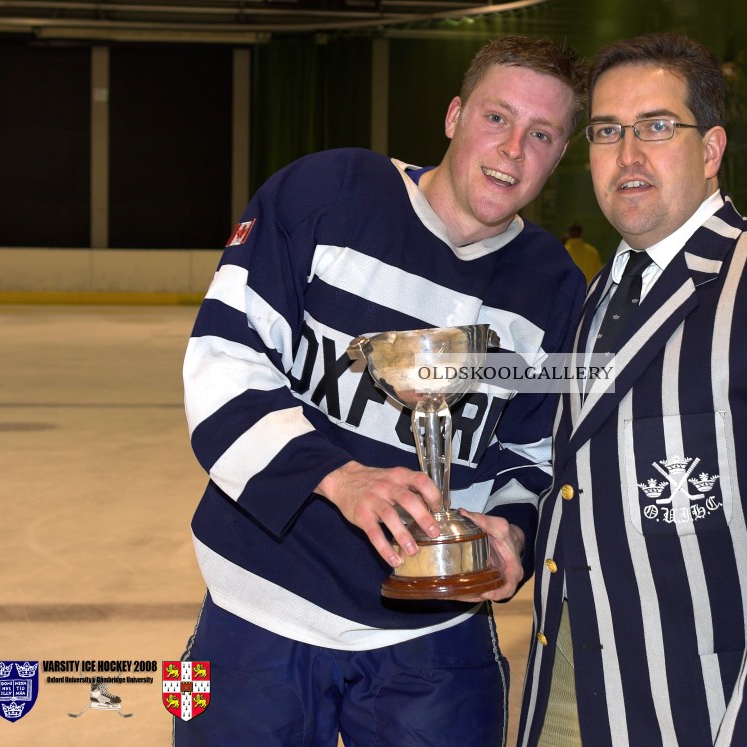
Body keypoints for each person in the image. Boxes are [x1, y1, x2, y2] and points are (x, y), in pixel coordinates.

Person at [178, 36, 588, 746]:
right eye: (497, 117)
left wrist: (514, 531)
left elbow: (535, 453)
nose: (514, 148)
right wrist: (340, 477)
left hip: (435, 631)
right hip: (257, 611)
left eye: (542, 133)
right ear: (455, 115)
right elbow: (221, 363)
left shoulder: (554, 289)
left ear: (559, 155)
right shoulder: (324, 194)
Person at [518, 33, 747, 746]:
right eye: (606, 131)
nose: (628, 154)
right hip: (568, 687)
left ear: (711, 149)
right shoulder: (596, 296)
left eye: (656, 126)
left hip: (698, 710)